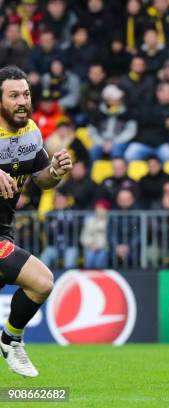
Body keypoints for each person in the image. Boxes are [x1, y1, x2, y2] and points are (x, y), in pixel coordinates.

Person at [0, 66, 73, 377]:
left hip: (4, 229)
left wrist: (55, 171)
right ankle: (11, 340)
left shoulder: (31, 131)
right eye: (14, 95)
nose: (22, 101)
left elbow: (40, 181)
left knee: (41, 285)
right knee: (41, 280)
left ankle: (10, 337)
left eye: (26, 94)